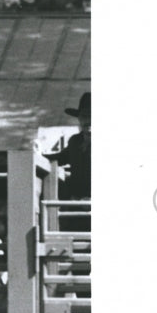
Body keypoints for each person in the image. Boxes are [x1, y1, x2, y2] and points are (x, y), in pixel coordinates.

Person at [44, 92, 91, 231]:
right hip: (76, 205)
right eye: (84, 116)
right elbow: (59, 158)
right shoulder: (75, 141)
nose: (88, 121)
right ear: (79, 119)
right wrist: (38, 156)